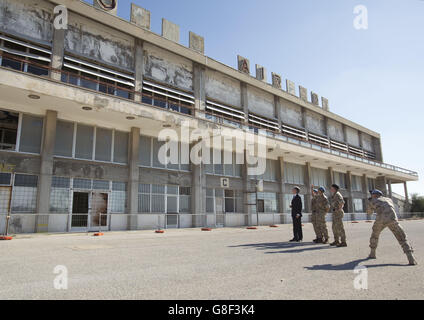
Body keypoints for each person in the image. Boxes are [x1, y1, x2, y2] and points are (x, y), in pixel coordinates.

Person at [367, 190, 417, 265]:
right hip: (393, 219)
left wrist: (370, 204)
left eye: (372, 194)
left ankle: (372, 253)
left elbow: (369, 213)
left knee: (374, 235)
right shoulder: (389, 199)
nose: (371, 195)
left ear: (374, 195)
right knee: (402, 238)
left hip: (381, 219)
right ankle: (411, 258)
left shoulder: (373, 201)